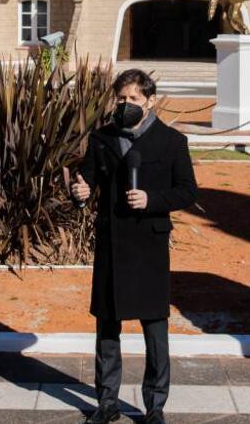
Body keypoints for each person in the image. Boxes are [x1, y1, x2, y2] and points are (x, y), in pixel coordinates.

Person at [70, 69, 197, 424]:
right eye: (121, 99)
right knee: (107, 327)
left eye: (134, 99)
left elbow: (187, 191)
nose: (126, 105)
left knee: (155, 329)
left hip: (149, 246)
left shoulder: (172, 142)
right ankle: (106, 402)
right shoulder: (101, 138)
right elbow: (87, 182)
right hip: (112, 243)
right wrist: (79, 194)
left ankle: (155, 405)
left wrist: (152, 199)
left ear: (150, 101)